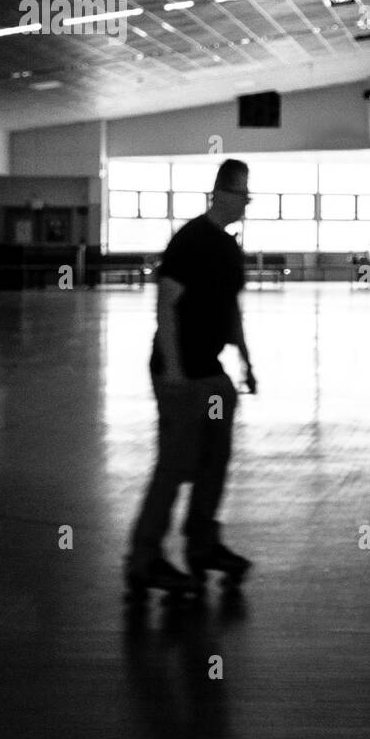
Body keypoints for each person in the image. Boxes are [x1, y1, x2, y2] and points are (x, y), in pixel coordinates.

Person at [126, 159, 256, 597]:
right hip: (180, 376)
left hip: (213, 376)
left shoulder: (229, 248)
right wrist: (176, 370)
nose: (246, 203)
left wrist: (246, 360)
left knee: (214, 461)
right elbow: (165, 304)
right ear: (221, 195)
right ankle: (143, 558)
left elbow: (231, 308)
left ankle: (202, 544)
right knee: (176, 464)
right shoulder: (191, 241)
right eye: (243, 195)